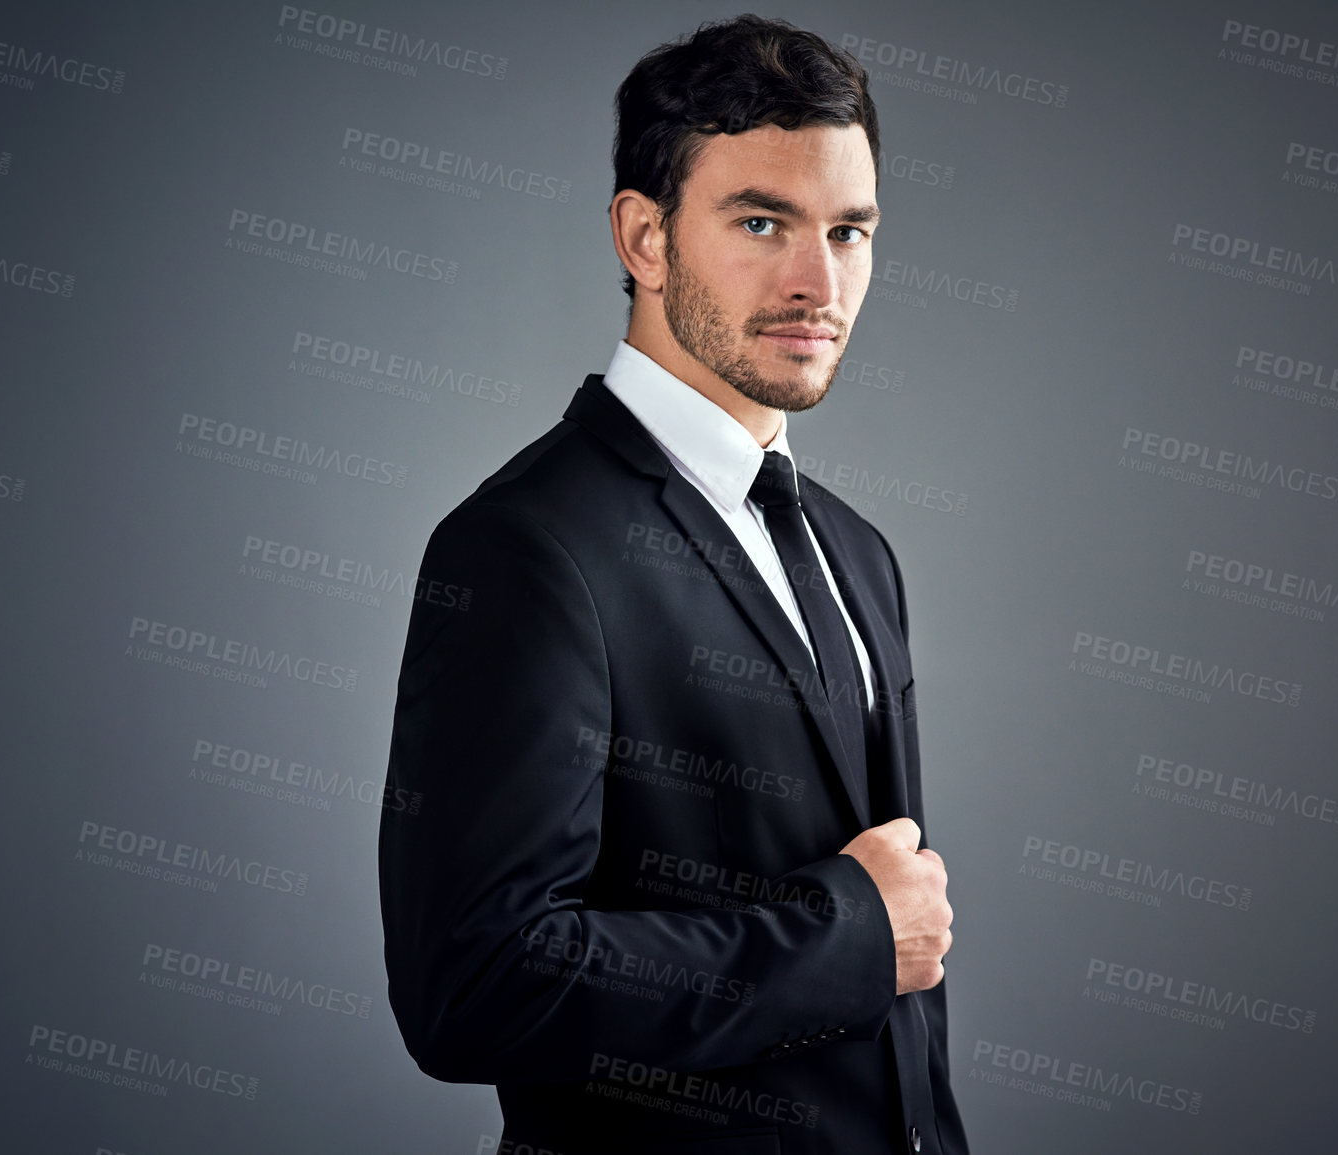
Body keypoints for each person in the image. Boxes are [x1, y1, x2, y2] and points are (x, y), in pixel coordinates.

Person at [379, 14, 966, 1154]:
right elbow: (478, 987)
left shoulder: (858, 554)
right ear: (644, 240)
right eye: (762, 222)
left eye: (850, 231)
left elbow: (903, 989)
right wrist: (845, 934)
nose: (818, 279)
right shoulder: (524, 550)